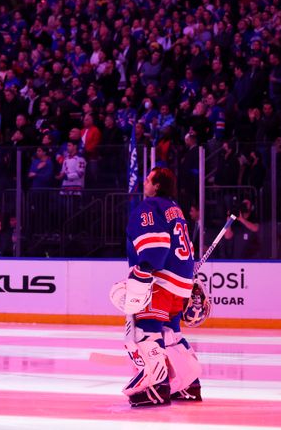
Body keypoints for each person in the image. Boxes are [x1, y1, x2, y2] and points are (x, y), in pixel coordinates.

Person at [117, 167, 200, 407]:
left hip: (159, 281)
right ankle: (188, 385)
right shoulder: (175, 208)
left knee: (147, 331)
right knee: (171, 334)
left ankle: (157, 386)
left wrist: (142, 273)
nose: (144, 182)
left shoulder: (149, 207)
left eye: (148, 179)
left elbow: (156, 246)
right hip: (180, 284)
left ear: (157, 185)